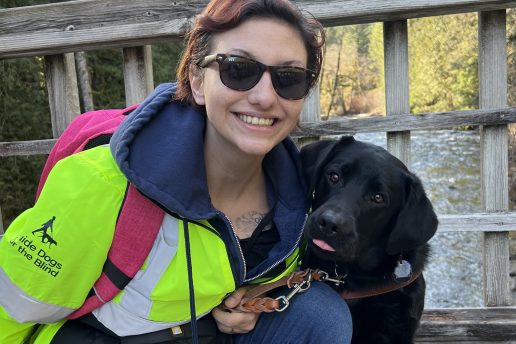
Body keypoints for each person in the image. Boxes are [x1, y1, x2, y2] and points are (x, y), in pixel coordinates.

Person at [0, 0, 353, 343]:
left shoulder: (296, 197)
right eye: (239, 69)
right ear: (197, 80)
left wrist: (254, 298)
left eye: (288, 78)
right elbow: (11, 304)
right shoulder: (103, 181)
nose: (264, 97)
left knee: (321, 315)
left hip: (200, 331)